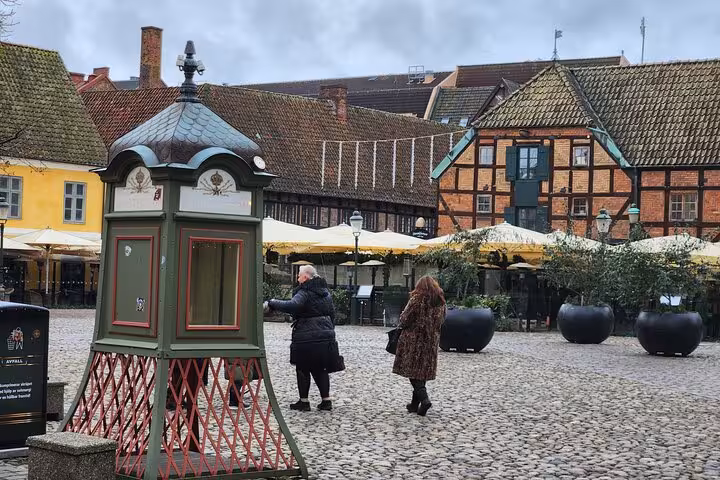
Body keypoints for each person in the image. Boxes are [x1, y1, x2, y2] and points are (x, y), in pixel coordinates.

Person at [267, 265, 340, 411]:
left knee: (302, 367)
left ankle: (304, 401)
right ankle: (326, 401)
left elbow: (293, 305)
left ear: (305, 277)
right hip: (326, 335)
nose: (297, 278)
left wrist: (272, 302)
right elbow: (332, 314)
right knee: (321, 367)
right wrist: (328, 330)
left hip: (307, 336)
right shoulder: (325, 292)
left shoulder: (305, 291)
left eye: (299, 276)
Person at [392, 275, 446, 416]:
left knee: (413, 372)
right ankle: (414, 404)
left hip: (414, 341)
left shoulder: (417, 299)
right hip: (431, 341)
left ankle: (424, 399)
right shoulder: (440, 302)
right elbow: (442, 320)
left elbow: (404, 319)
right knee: (421, 371)